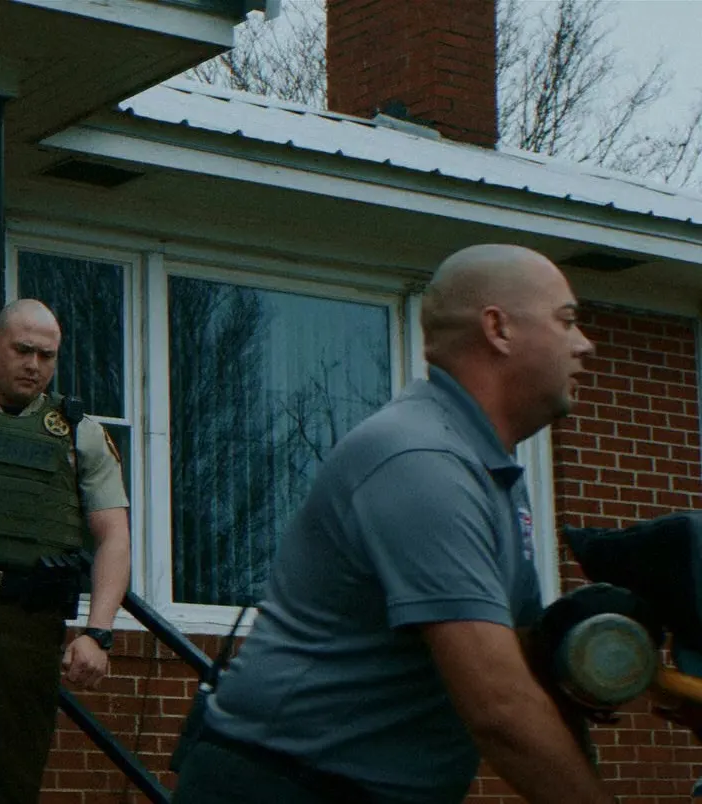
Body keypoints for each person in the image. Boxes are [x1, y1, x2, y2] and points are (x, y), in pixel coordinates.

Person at [170, 244, 605, 804]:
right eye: (566, 321)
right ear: (498, 329)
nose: (584, 344)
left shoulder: (489, 469)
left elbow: (523, 662)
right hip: (281, 785)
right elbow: (499, 707)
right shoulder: (421, 460)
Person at [0, 299, 132, 804]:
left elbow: (113, 534)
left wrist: (98, 632)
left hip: (31, 618)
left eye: (47, 356)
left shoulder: (78, 432)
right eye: (23, 350)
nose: (34, 365)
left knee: (15, 778)